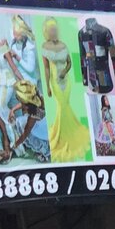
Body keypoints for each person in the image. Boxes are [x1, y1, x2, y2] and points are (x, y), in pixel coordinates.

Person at [41, 18, 90, 163]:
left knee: (66, 106)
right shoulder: (44, 47)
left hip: (66, 81)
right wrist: (48, 86)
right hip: (55, 82)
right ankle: (60, 138)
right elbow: (47, 68)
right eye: (51, 29)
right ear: (47, 31)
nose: (54, 32)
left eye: (55, 29)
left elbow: (69, 63)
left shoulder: (63, 45)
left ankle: (70, 134)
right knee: (61, 107)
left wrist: (65, 72)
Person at [8, 80, 50, 162]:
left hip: (44, 129)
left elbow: (25, 134)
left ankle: (43, 150)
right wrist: (13, 110)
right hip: (46, 121)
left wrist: (16, 145)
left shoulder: (33, 116)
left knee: (21, 124)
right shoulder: (36, 95)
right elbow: (25, 103)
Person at [10, 15, 40, 87]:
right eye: (14, 34)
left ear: (23, 34)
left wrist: (17, 57)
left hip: (30, 84)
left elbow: (30, 69)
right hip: (20, 81)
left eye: (17, 35)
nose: (14, 37)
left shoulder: (29, 47)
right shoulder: (13, 43)